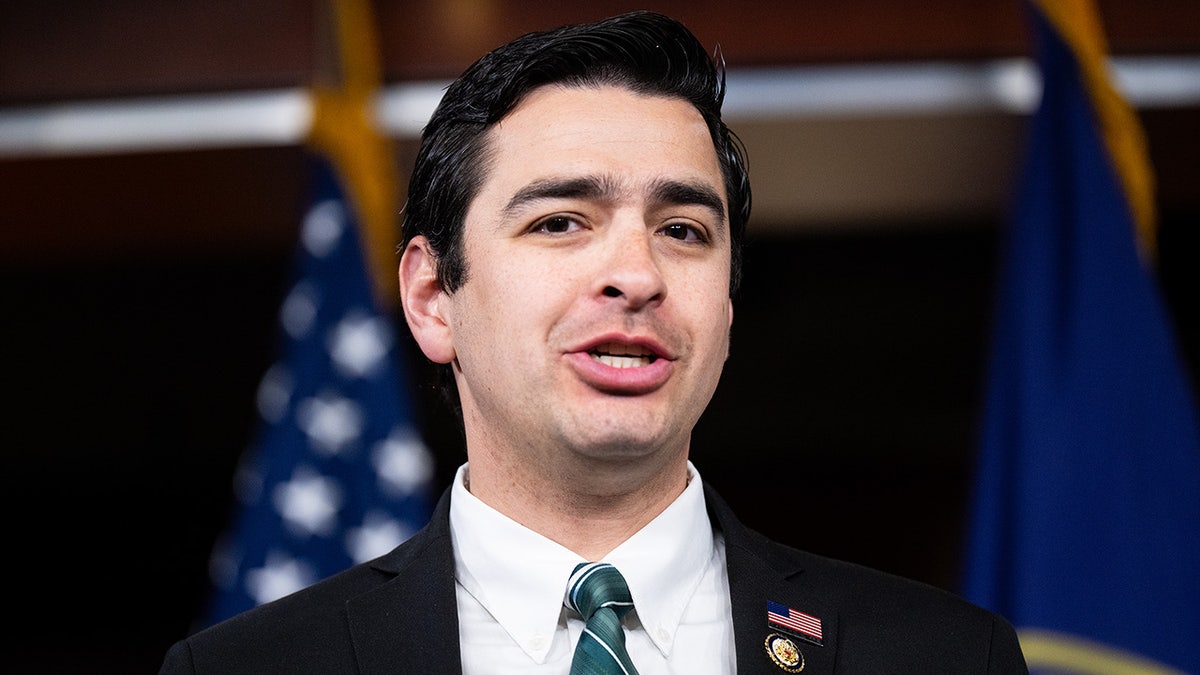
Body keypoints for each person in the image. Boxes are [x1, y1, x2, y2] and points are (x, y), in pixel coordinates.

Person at [161, 11, 1028, 674]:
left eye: (684, 230)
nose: (636, 274)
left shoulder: (945, 654)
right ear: (432, 297)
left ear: (727, 305)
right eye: (562, 221)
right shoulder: (247, 666)